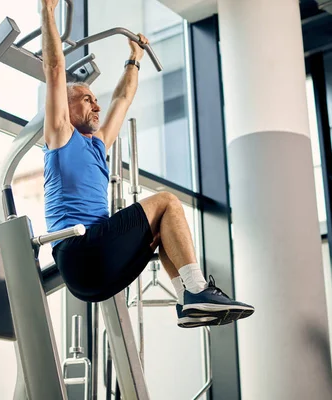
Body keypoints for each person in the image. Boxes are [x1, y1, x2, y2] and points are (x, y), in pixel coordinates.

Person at [40, 0, 254, 327]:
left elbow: (121, 99)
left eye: (96, 100)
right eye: (87, 99)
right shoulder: (59, 135)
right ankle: (196, 291)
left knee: (162, 227)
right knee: (167, 200)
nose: (96, 106)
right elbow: (55, 69)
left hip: (100, 276)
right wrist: (48, 12)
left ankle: (190, 300)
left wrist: (134, 59)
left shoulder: (97, 147)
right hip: (79, 252)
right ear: (65, 107)